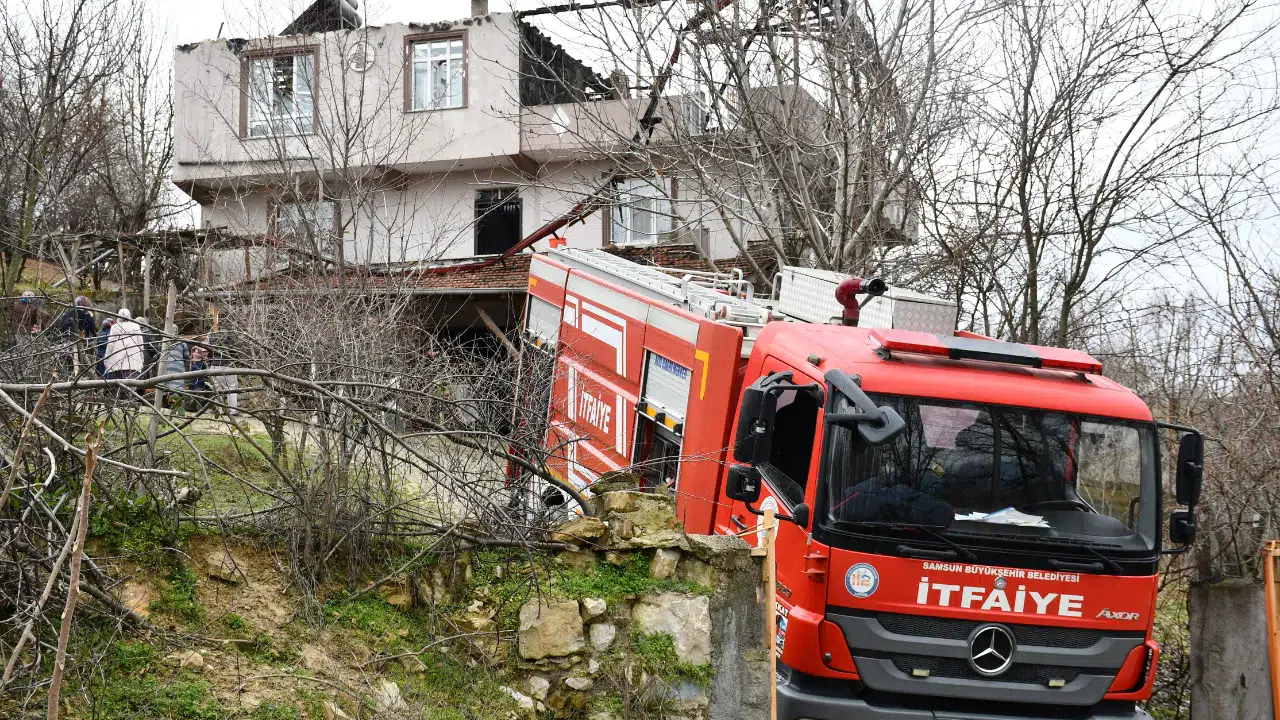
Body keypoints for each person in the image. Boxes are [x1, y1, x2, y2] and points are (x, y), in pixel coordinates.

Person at [103, 309, 145, 398]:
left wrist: (106, 359)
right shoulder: (136, 326)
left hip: (118, 363)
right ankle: (129, 402)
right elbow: (141, 344)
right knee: (131, 388)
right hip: (133, 363)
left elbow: (110, 345)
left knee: (118, 387)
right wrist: (141, 359)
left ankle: (120, 404)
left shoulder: (115, 327)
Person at [52, 296, 97, 374]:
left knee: (67, 368)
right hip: (80, 346)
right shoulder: (86, 314)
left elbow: (57, 328)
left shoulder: (64, 314)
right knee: (82, 369)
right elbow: (92, 329)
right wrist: (91, 318)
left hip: (64, 346)